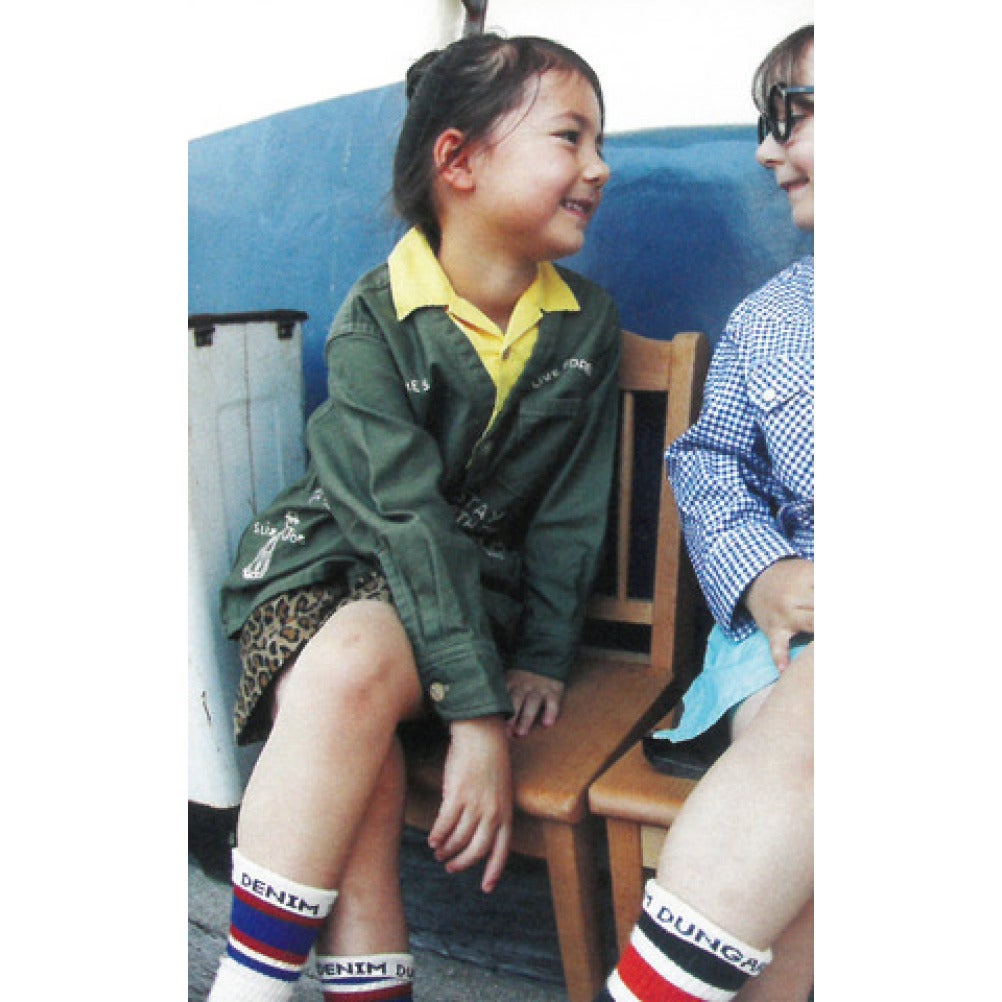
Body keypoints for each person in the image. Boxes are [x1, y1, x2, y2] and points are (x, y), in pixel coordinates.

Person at [205, 32, 619, 1002]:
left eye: (601, 142)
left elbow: (570, 510)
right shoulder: (373, 320)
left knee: (354, 716)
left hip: (457, 602)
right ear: (459, 161)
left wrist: (542, 655)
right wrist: (476, 718)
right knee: (349, 684)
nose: (600, 166)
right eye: (571, 137)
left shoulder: (586, 322)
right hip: (326, 568)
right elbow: (402, 521)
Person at [595, 24, 814, 1002]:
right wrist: (764, 576)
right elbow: (711, 463)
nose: (766, 149)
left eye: (793, 114)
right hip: (785, 642)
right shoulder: (769, 319)